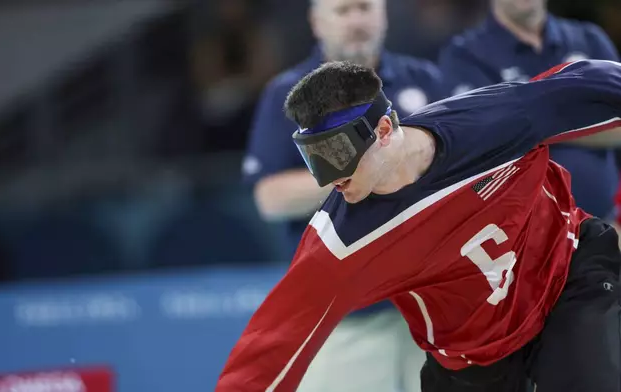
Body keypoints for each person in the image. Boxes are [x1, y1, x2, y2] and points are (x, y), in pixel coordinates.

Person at [216, 59, 621, 392]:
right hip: (472, 353)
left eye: (337, 152)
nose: (328, 178)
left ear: (384, 130)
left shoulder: (491, 121)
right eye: (314, 159)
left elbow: (586, 82)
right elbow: (273, 344)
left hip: (569, 274)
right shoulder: (345, 239)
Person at [241, 0, 446, 390]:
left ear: (384, 14)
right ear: (317, 23)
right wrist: (368, 170)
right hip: (345, 317)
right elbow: (271, 197)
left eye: (365, 8)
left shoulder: (428, 79)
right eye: (343, 11)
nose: (356, 21)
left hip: (430, 307)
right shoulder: (287, 93)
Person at [439, 0, 620, 222]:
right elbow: (490, 137)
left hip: (606, 224)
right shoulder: (465, 56)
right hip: (527, 236)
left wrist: (532, 116)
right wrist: (588, 112)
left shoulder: (590, 39)